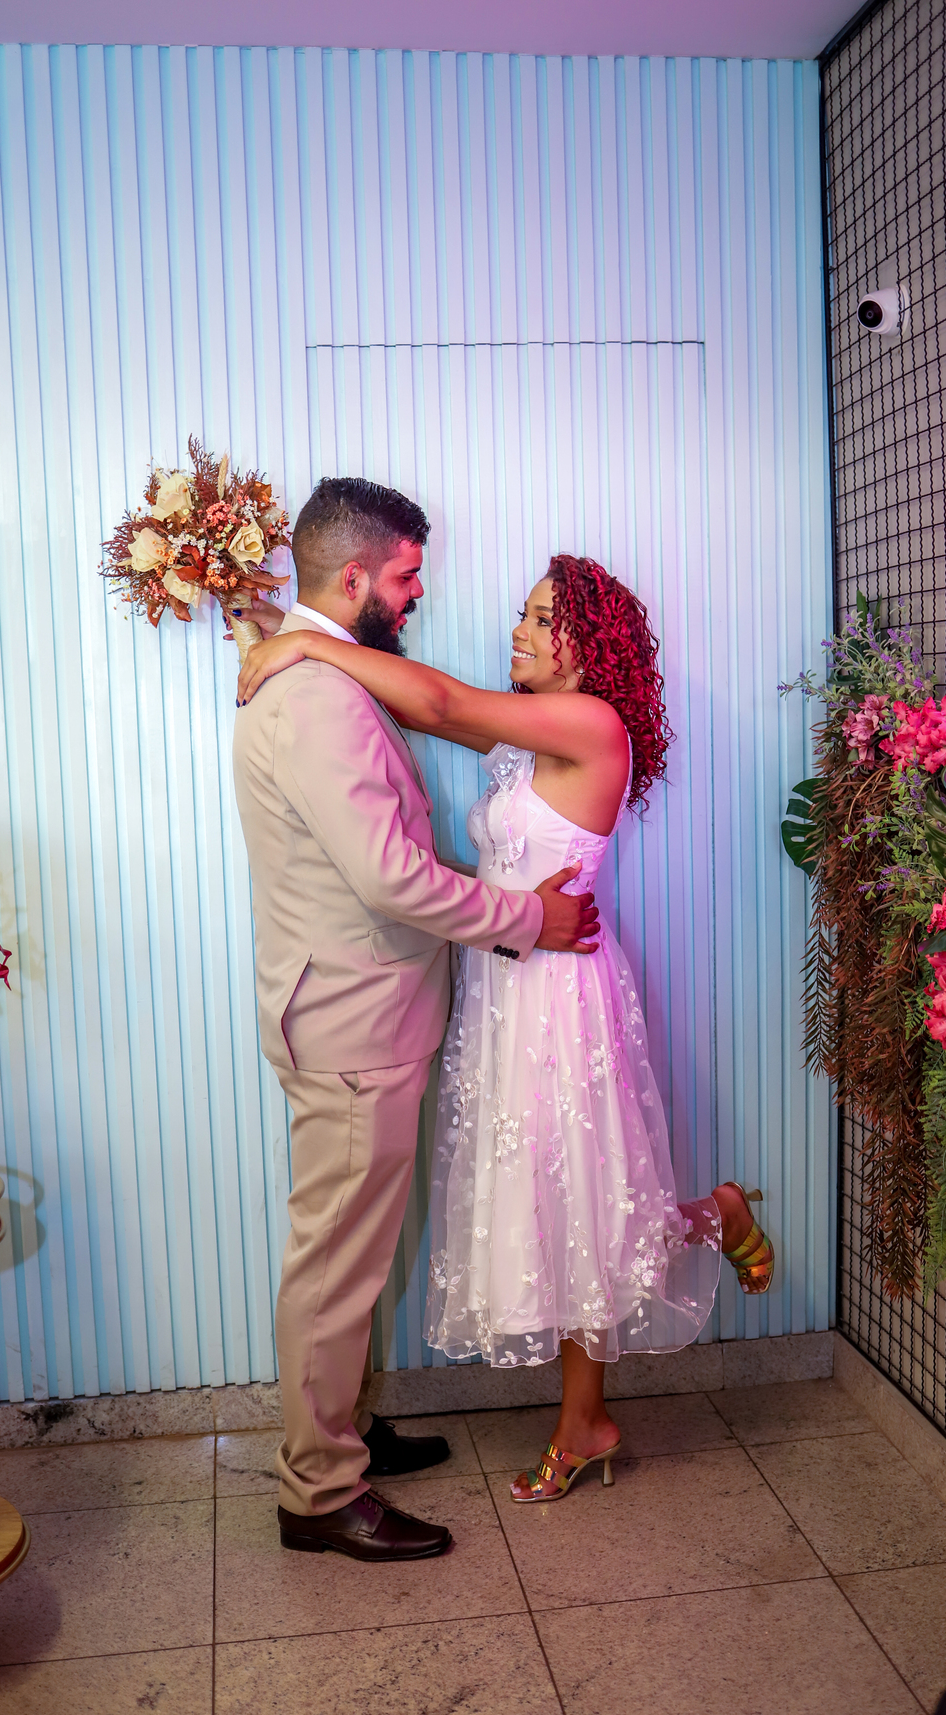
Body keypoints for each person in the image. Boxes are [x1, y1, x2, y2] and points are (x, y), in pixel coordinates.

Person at [238, 551, 775, 1503]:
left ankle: (591, 1409)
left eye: (538, 618)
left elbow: (439, 701)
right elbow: (414, 710)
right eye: (521, 614)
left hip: (560, 995)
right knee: (549, 1200)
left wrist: (302, 645)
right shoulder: (528, 734)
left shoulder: (593, 722)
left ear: (587, 644)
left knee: (578, 1200)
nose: (516, 630)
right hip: (504, 985)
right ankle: (707, 1226)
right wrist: (284, 628)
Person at [232, 479, 600, 1561]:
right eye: (405, 575)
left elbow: (421, 729)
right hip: (351, 1022)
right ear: (354, 578)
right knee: (337, 1266)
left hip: (355, 1009)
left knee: (354, 1255)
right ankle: (319, 1489)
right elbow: (392, 878)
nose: (419, 592)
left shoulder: (318, 672)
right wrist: (528, 919)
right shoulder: (314, 695)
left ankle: (342, 1428)